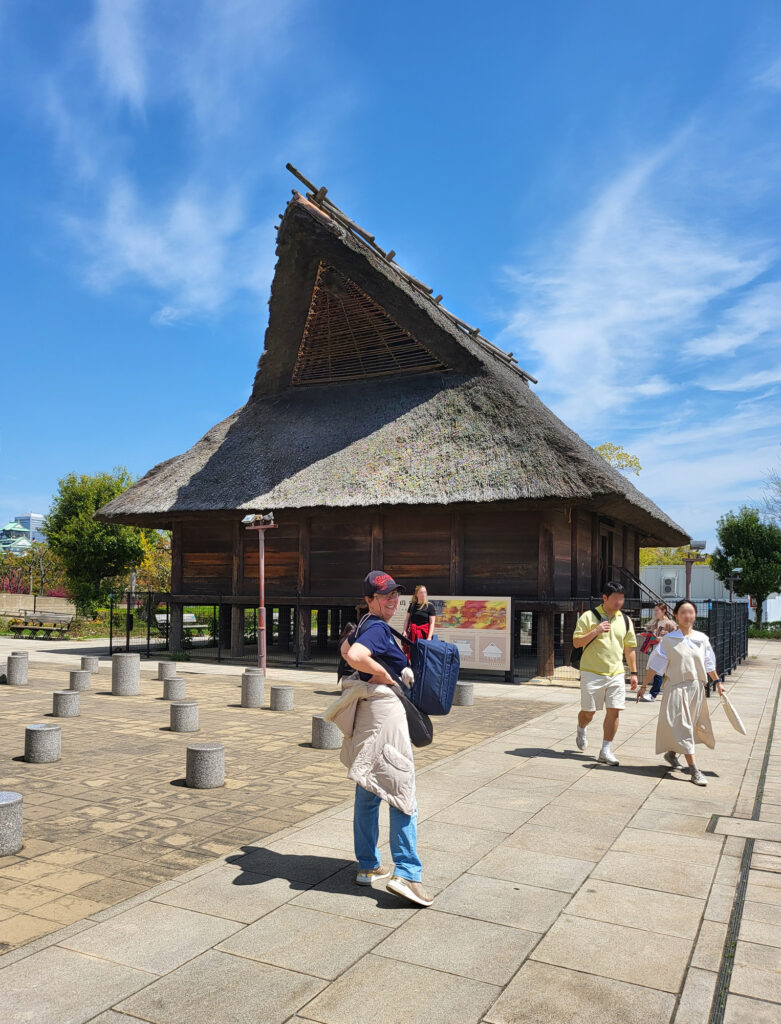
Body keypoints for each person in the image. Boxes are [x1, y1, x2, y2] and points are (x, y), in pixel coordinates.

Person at [324, 570, 432, 908]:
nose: (392, 600)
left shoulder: (364, 625)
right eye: (384, 595)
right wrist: (385, 674)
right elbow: (357, 656)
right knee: (402, 788)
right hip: (385, 714)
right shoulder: (376, 628)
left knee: (369, 788)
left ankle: (368, 865)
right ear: (369, 599)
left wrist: (373, 669)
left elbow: (346, 651)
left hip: (371, 715)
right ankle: (407, 874)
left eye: (395, 594)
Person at [637, 598, 724, 786]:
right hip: (676, 689)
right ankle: (694, 770)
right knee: (683, 726)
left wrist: (717, 682)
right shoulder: (669, 641)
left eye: (690, 612)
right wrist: (643, 686)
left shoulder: (701, 639)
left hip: (696, 689)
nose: (687, 616)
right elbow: (655, 665)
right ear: (676, 615)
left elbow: (708, 663)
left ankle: (671, 753)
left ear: (695, 615)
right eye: (683, 612)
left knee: (689, 726)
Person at [572, 581, 638, 765]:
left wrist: (634, 672)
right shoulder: (588, 617)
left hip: (616, 673)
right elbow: (576, 642)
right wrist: (596, 631)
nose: (619, 602)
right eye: (615, 598)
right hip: (591, 672)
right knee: (589, 712)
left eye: (621, 598)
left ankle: (605, 750)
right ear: (604, 598)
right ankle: (581, 727)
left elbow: (630, 649)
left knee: (614, 711)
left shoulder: (625, 620)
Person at [639, 603, 675, 701]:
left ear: (664, 611)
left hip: (664, 651)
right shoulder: (657, 622)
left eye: (657, 610)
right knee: (657, 671)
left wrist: (662, 639)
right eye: (654, 610)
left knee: (658, 672)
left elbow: (675, 637)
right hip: (656, 649)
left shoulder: (670, 623)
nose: (655, 612)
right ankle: (654, 694)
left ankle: (653, 694)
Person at [402, 585, 436, 655]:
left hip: (424, 635)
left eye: (425, 592)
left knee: (423, 654)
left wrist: (429, 637)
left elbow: (432, 623)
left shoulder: (430, 606)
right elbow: (407, 620)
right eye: (421, 592)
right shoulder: (412, 605)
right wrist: (404, 631)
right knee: (412, 653)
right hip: (412, 634)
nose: (423, 594)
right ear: (416, 594)